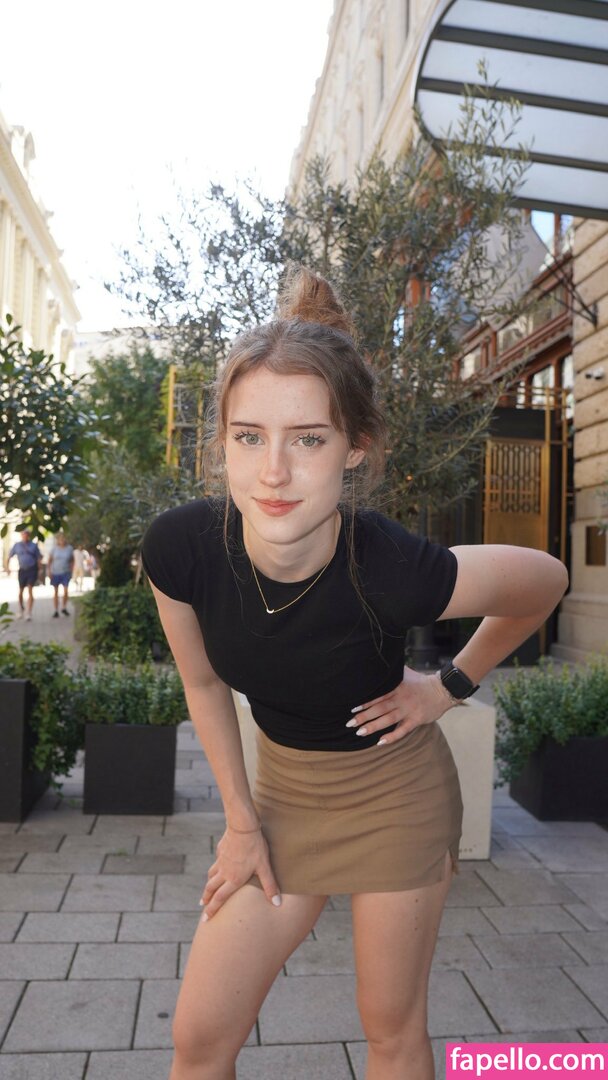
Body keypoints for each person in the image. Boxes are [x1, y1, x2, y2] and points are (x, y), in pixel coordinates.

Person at [141, 267, 568, 1080]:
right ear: (221, 441)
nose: (273, 472)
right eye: (248, 436)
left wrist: (448, 688)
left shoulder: (394, 568)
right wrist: (240, 820)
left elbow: (545, 581)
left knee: (390, 1029)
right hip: (281, 801)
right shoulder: (181, 550)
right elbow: (203, 685)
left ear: (354, 448)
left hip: (393, 802)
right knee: (198, 1038)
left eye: (308, 439)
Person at [7, 529, 42, 621]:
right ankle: (21, 608)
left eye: (26, 534)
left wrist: (40, 570)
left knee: (30, 589)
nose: (25, 536)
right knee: (21, 591)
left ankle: (28, 612)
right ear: (21, 535)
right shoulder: (17, 545)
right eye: (23, 534)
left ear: (29, 535)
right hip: (22, 570)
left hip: (32, 570)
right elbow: (9, 556)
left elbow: (39, 558)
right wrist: (8, 568)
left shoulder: (33, 546)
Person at [48, 533, 74, 617]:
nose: (62, 540)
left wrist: (72, 570)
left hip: (65, 572)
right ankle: (56, 610)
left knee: (66, 591)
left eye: (63, 538)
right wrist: (49, 571)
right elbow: (49, 561)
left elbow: (72, 560)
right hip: (55, 572)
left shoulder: (69, 548)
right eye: (60, 539)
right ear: (58, 540)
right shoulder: (54, 549)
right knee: (56, 591)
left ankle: (64, 607)